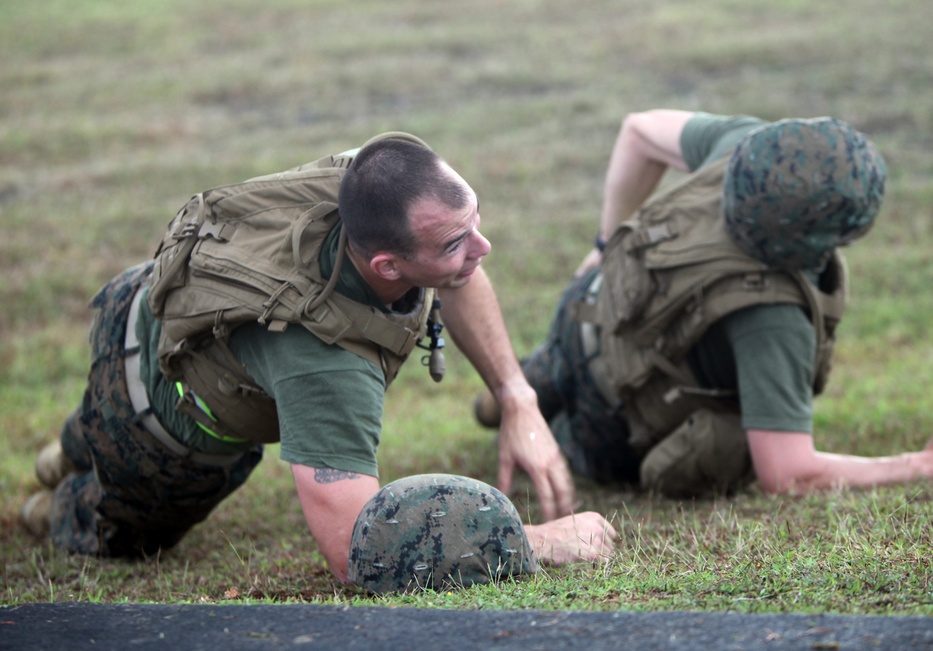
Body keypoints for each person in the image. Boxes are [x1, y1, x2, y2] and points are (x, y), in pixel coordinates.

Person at [20, 132, 615, 591]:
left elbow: (463, 276)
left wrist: (516, 395)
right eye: (455, 243)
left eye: (474, 223)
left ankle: (63, 451)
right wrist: (536, 541)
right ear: (387, 267)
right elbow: (356, 551)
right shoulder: (324, 362)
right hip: (160, 435)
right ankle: (43, 504)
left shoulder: (375, 174)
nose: (481, 249)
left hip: (141, 299)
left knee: (83, 429)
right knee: (98, 524)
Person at [475, 109, 933, 498]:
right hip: (611, 418)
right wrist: (924, 463)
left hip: (586, 311)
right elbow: (789, 474)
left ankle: (515, 391)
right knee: (713, 446)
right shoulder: (774, 316)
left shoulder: (743, 147)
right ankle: (539, 419)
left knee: (545, 372)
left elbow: (639, 131)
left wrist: (606, 244)